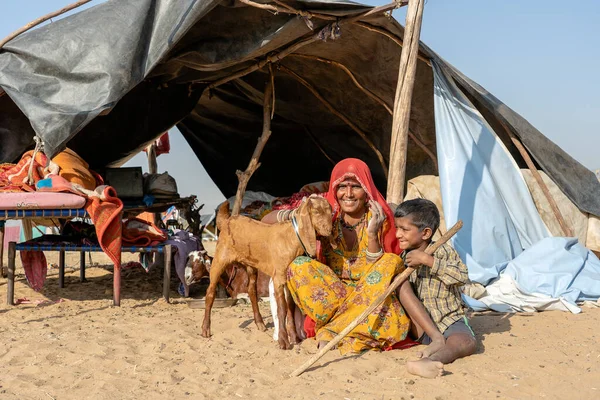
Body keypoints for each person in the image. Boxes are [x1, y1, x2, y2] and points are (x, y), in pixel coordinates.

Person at [264, 158, 446, 378]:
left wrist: (372, 234)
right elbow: (266, 220)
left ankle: (332, 331)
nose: (348, 194)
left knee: (391, 262)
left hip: (369, 297)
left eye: (355, 186)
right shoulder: (324, 210)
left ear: (366, 188)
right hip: (333, 296)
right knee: (298, 266)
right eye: (342, 186)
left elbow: (381, 272)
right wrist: (296, 214)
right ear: (334, 187)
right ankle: (347, 329)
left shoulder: (381, 217)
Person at [394, 198, 477, 372]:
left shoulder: (443, 251)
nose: (397, 234)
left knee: (465, 342)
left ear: (425, 233)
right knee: (400, 284)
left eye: (404, 229)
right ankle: (435, 338)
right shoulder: (404, 257)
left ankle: (431, 360)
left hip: (449, 319)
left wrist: (428, 260)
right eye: (397, 228)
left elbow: (462, 276)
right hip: (422, 325)